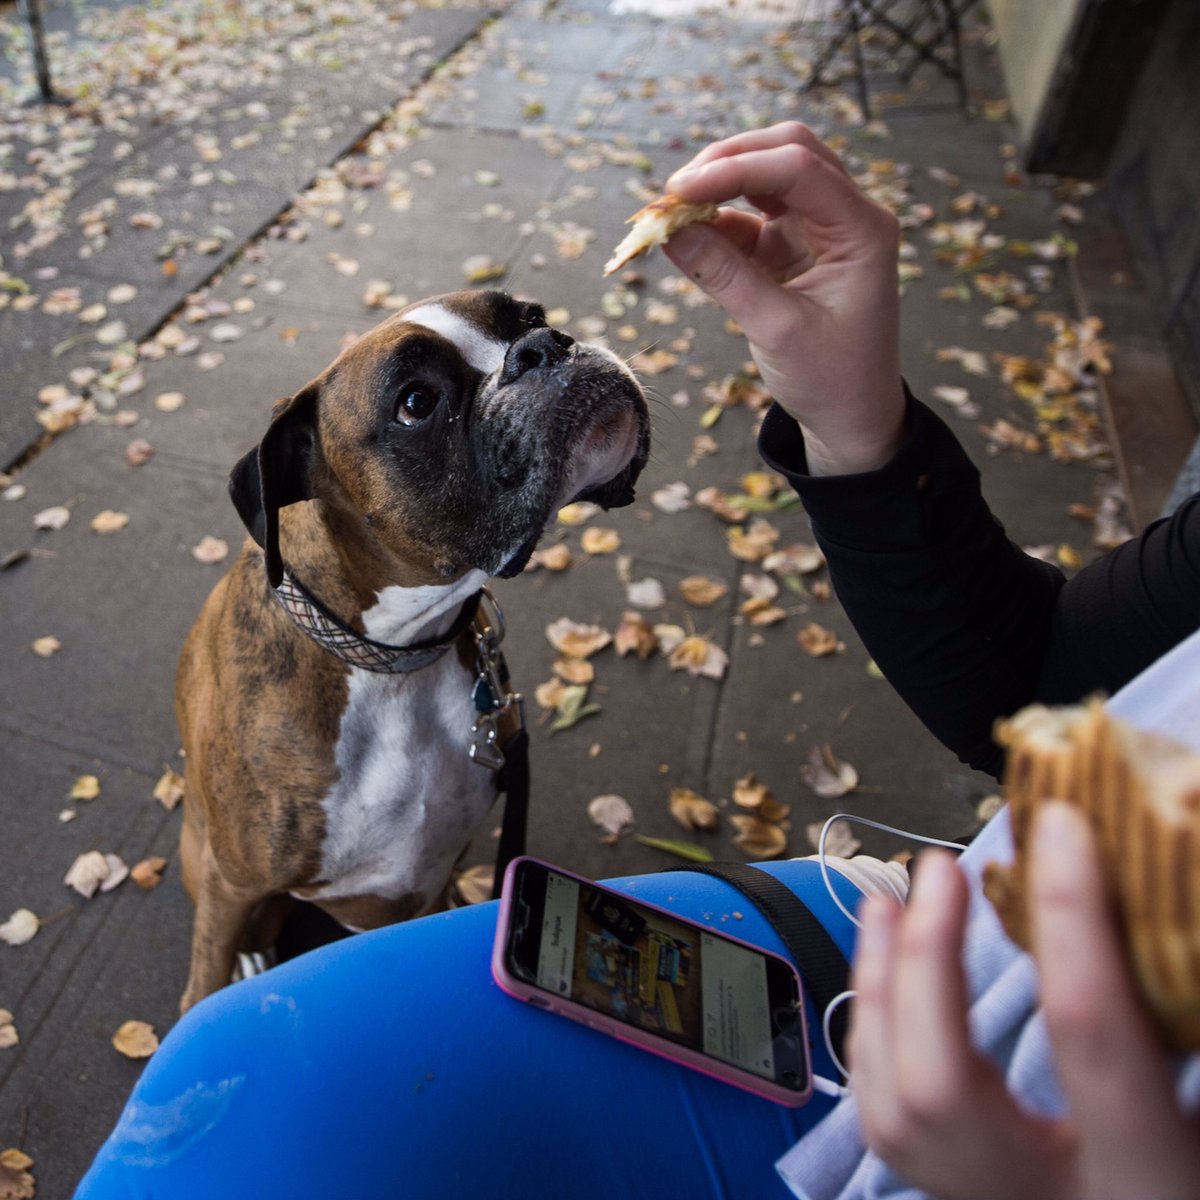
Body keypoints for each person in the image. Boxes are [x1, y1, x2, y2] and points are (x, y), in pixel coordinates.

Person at [76, 123, 1200, 1199]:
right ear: (300, 492)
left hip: (1027, 1034)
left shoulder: (460, 632)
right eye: (425, 401)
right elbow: (1044, 680)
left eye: (528, 333)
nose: (540, 357)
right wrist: (862, 426)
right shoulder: (269, 694)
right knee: (223, 1015)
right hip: (993, 968)